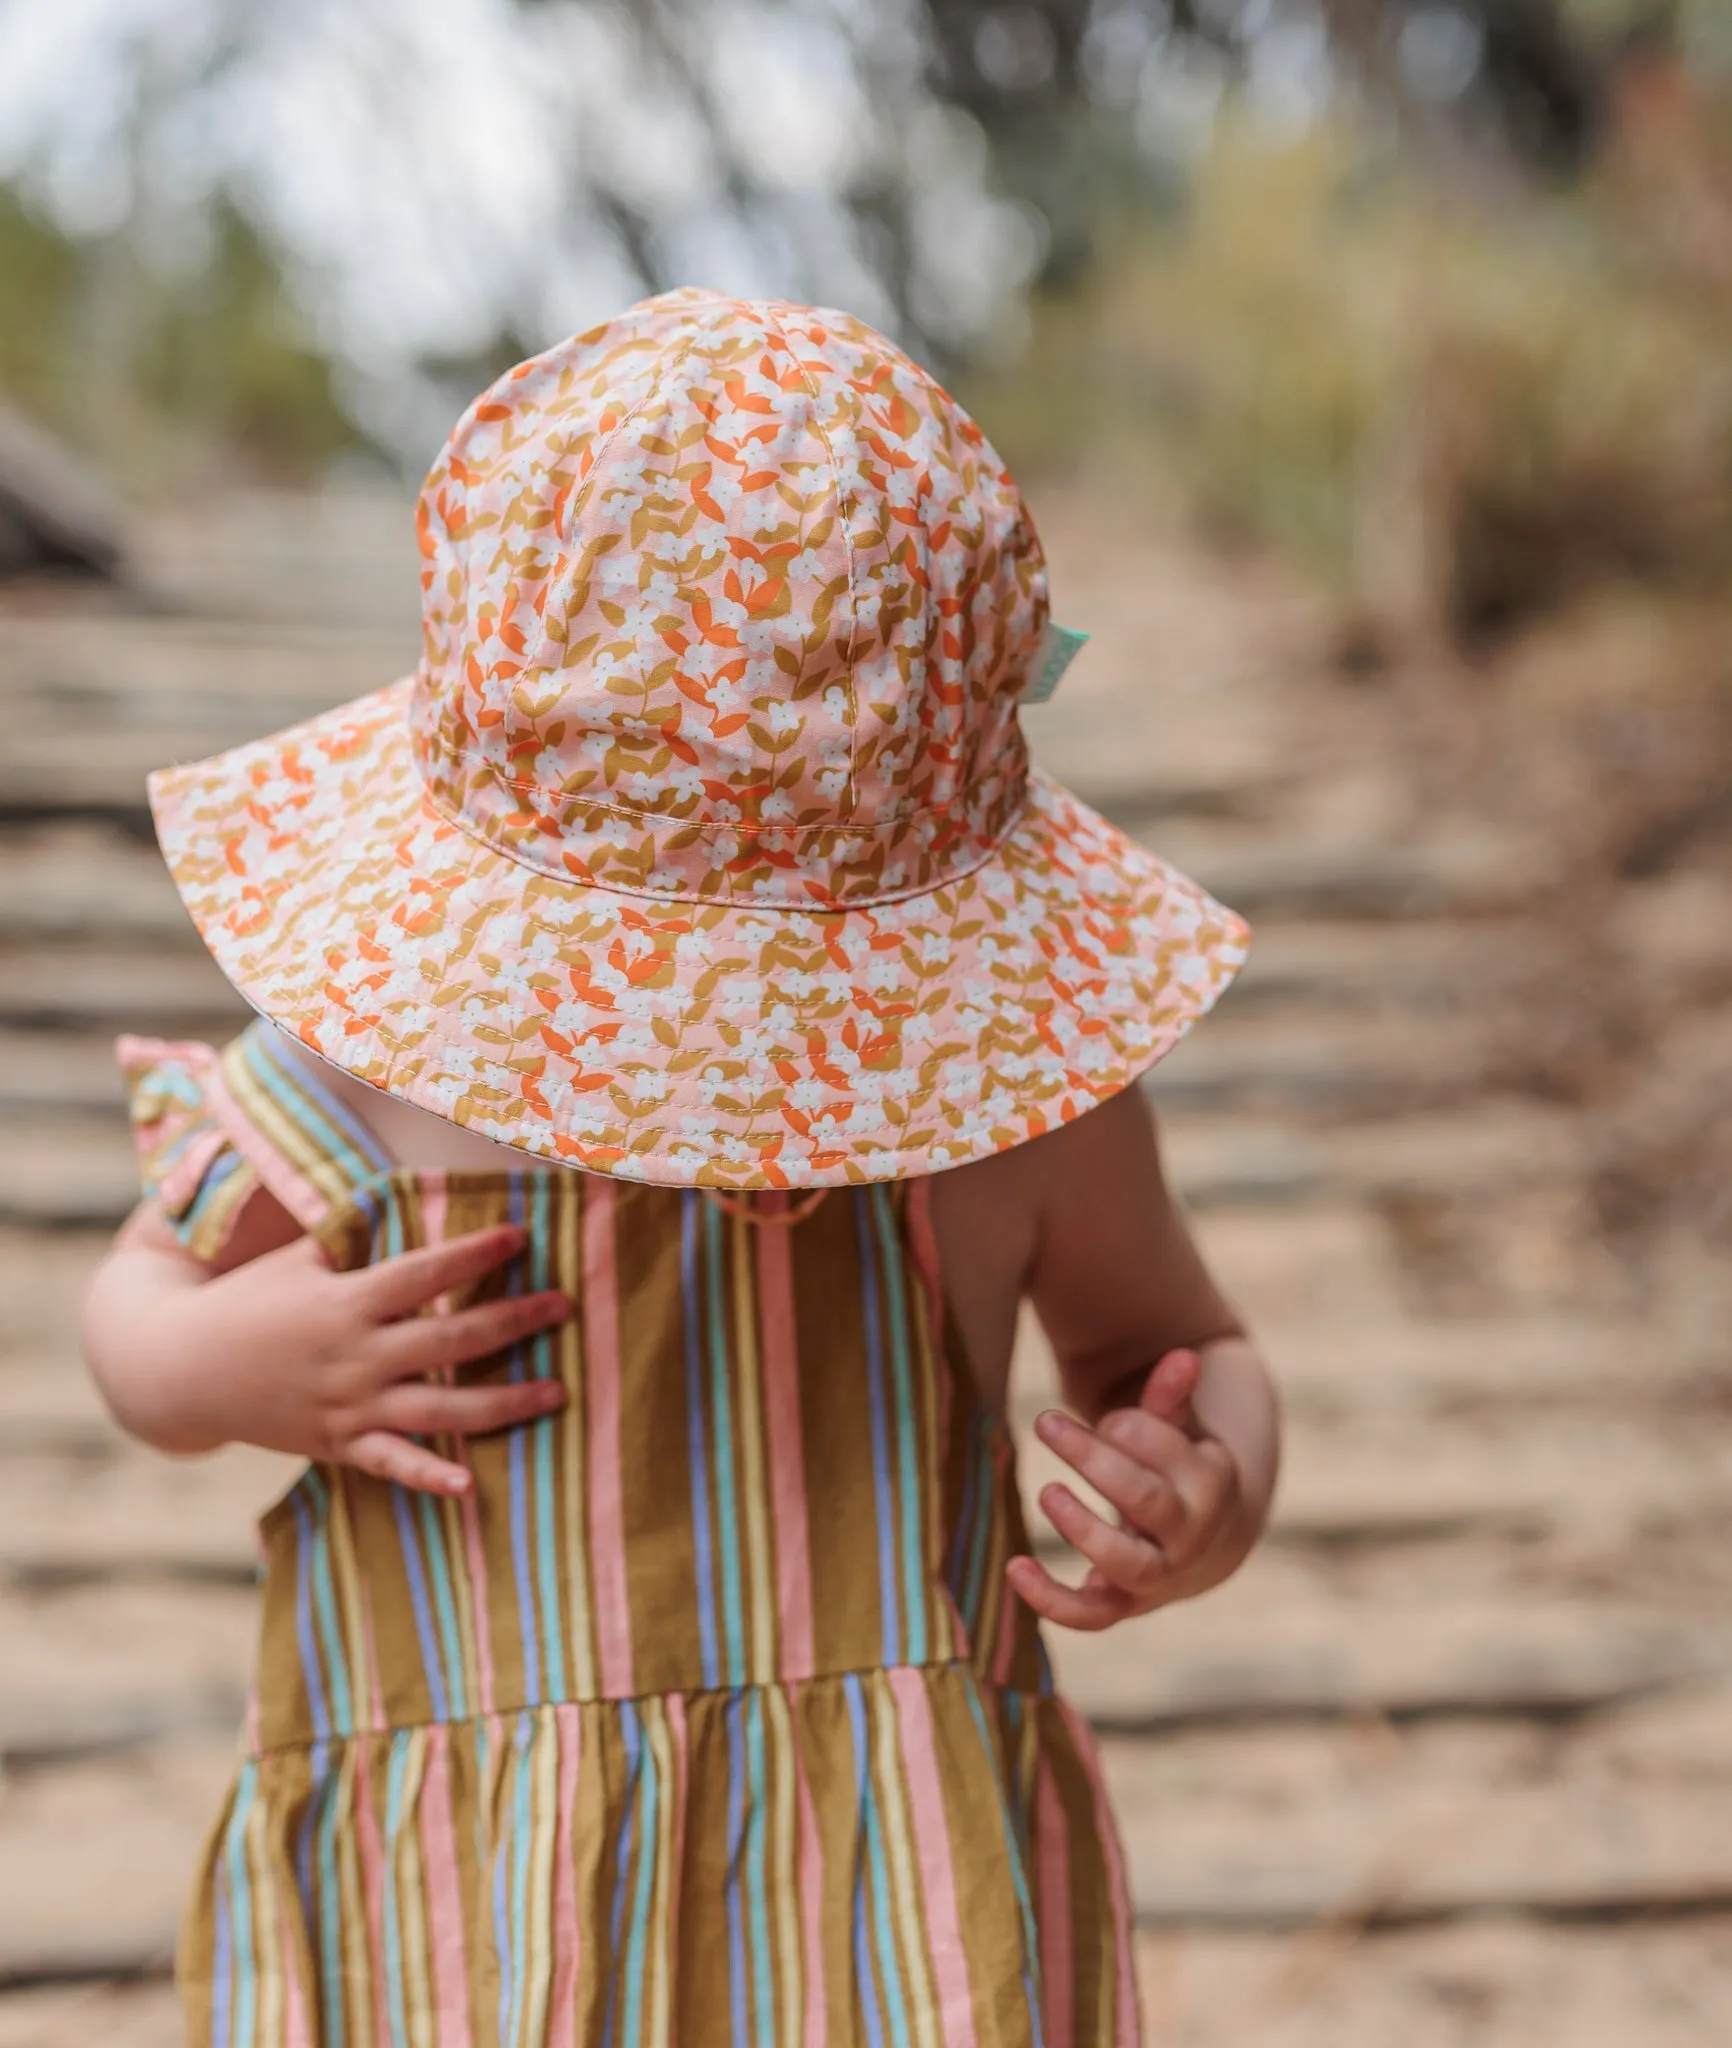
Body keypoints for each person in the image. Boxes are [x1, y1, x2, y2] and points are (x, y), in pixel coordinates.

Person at [80, 288, 1278, 2048]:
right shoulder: (379, 1070)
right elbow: (134, 1304)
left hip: (889, 1925)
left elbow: (1186, 1345)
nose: (719, 1060)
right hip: (458, 1931)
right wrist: (223, 1367)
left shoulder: (1011, 1109)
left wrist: (1203, 1488)